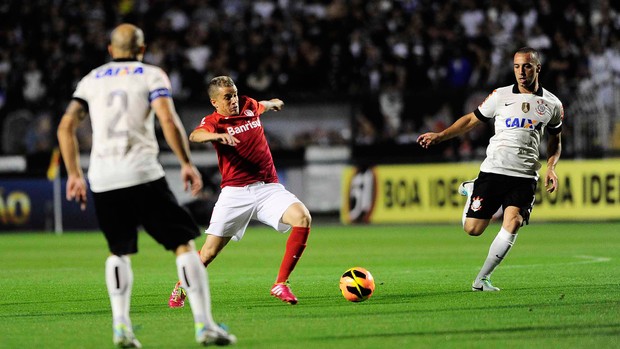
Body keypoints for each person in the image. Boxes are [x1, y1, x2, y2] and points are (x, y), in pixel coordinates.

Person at [56, 23, 236, 347]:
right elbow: (167, 119)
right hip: (141, 173)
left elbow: (65, 126)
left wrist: (73, 173)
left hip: (103, 177)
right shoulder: (151, 75)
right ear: (142, 49)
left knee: (118, 251)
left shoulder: (90, 80)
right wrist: (185, 162)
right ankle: (204, 325)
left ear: (111, 50)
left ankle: (121, 327)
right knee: (183, 245)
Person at [417, 47, 563, 291]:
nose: (521, 72)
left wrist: (551, 167)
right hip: (494, 170)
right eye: (516, 66)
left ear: (538, 68)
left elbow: (555, 139)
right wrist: (440, 136)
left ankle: (481, 280)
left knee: (513, 221)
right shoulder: (500, 96)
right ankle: (473, 187)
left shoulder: (552, 104)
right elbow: (470, 120)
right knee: (472, 229)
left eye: (527, 66)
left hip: (525, 175)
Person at [168, 76, 311, 306]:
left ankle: (281, 283)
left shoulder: (247, 105)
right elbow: (195, 135)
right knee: (208, 253)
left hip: (268, 188)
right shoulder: (213, 122)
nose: (234, 99)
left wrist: (273, 103)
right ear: (215, 102)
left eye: (234, 93)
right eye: (227, 97)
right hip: (235, 193)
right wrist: (216, 136)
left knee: (302, 218)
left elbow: (260, 106)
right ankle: (181, 286)